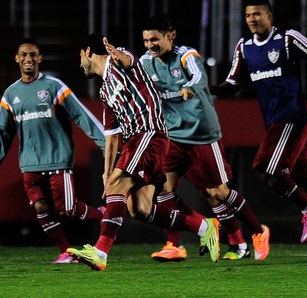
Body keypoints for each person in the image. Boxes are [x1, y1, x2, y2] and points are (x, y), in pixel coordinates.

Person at [210, 0, 307, 256]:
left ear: (270, 16)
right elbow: (232, 86)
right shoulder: (244, 47)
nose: (252, 19)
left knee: (265, 168)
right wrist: (206, 89)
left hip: (292, 117)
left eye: (258, 14)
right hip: (274, 123)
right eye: (248, 15)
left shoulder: (287, 39)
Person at [66, 33, 221, 271]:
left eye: (79, 57)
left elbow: (128, 59)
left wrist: (116, 53)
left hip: (149, 134)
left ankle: (100, 252)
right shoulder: (106, 91)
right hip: (134, 142)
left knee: (118, 186)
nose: (79, 64)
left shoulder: (121, 64)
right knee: (140, 209)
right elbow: (111, 137)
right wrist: (106, 173)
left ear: (88, 51)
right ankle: (205, 227)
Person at [140, 15, 270, 262]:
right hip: (172, 136)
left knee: (217, 193)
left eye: (154, 39)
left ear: (170, 36)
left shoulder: (186, 55)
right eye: (146, 40)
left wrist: (190, 85)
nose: (150, 45)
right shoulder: (147, 62)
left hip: (201, 135)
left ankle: (256, 232)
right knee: (163, 189)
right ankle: (174, 244)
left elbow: (200, 78)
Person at [0, 37, 106, 264]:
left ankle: (101, 216)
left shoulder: (54, 87)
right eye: (24, 55)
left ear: (40, 59)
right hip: (29, 163)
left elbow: (81, 115)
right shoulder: (10, 95)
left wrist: (105, 142)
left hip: (57, 159)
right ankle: (67, 251)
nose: (28, 59)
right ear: (17, 59)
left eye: (33, 55)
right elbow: (2, 132)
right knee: (40, 207)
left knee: (67, 210)